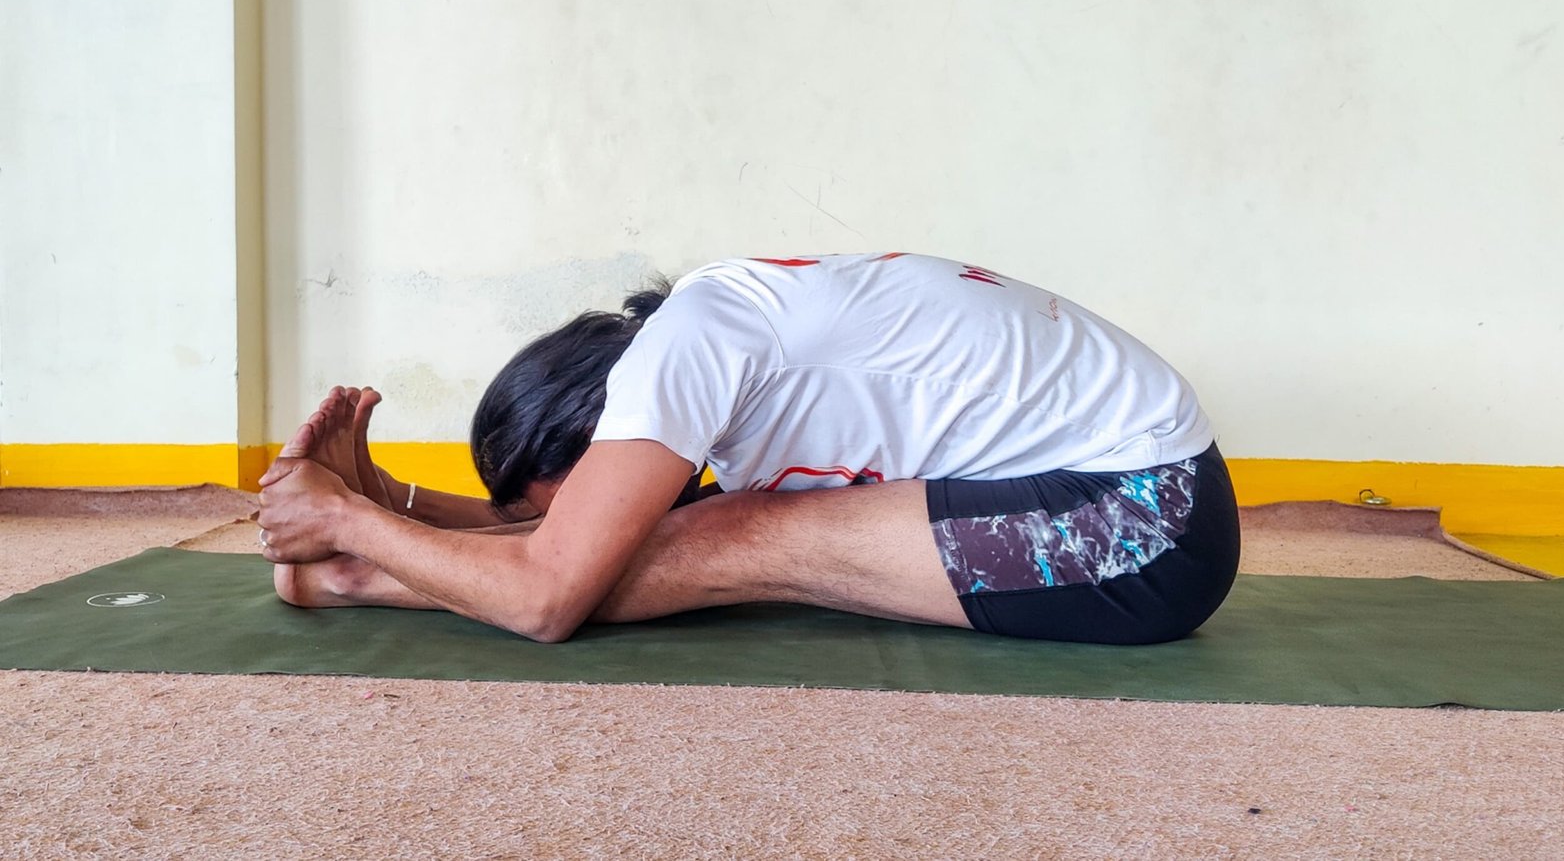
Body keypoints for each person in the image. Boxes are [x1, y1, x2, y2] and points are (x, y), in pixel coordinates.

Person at [257, 252, 1240, 644]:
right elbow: (587, 530)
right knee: (707, 528)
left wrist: (349, 528)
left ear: (605, 430)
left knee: (747, 531)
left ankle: (349, 577)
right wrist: (397, 500)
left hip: (1141, 524)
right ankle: (371, 546)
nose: (570, 515)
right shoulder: (713, 340)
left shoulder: (680, 353)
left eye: (568, 492)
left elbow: (548, 591)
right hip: (1129, 496)